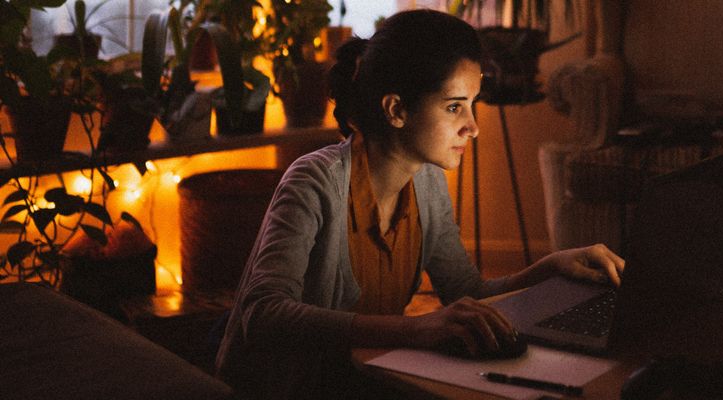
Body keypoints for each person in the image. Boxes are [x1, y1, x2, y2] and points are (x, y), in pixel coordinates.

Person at [215, 9, 625, 399]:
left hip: (358, 380)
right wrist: (415, 329)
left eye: (472, 105)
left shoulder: (427, 183)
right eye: (453, 107)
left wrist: (549, 268)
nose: (474, 127)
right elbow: (262, 314)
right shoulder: (313, 182)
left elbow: (467, 292)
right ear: (396, 110)